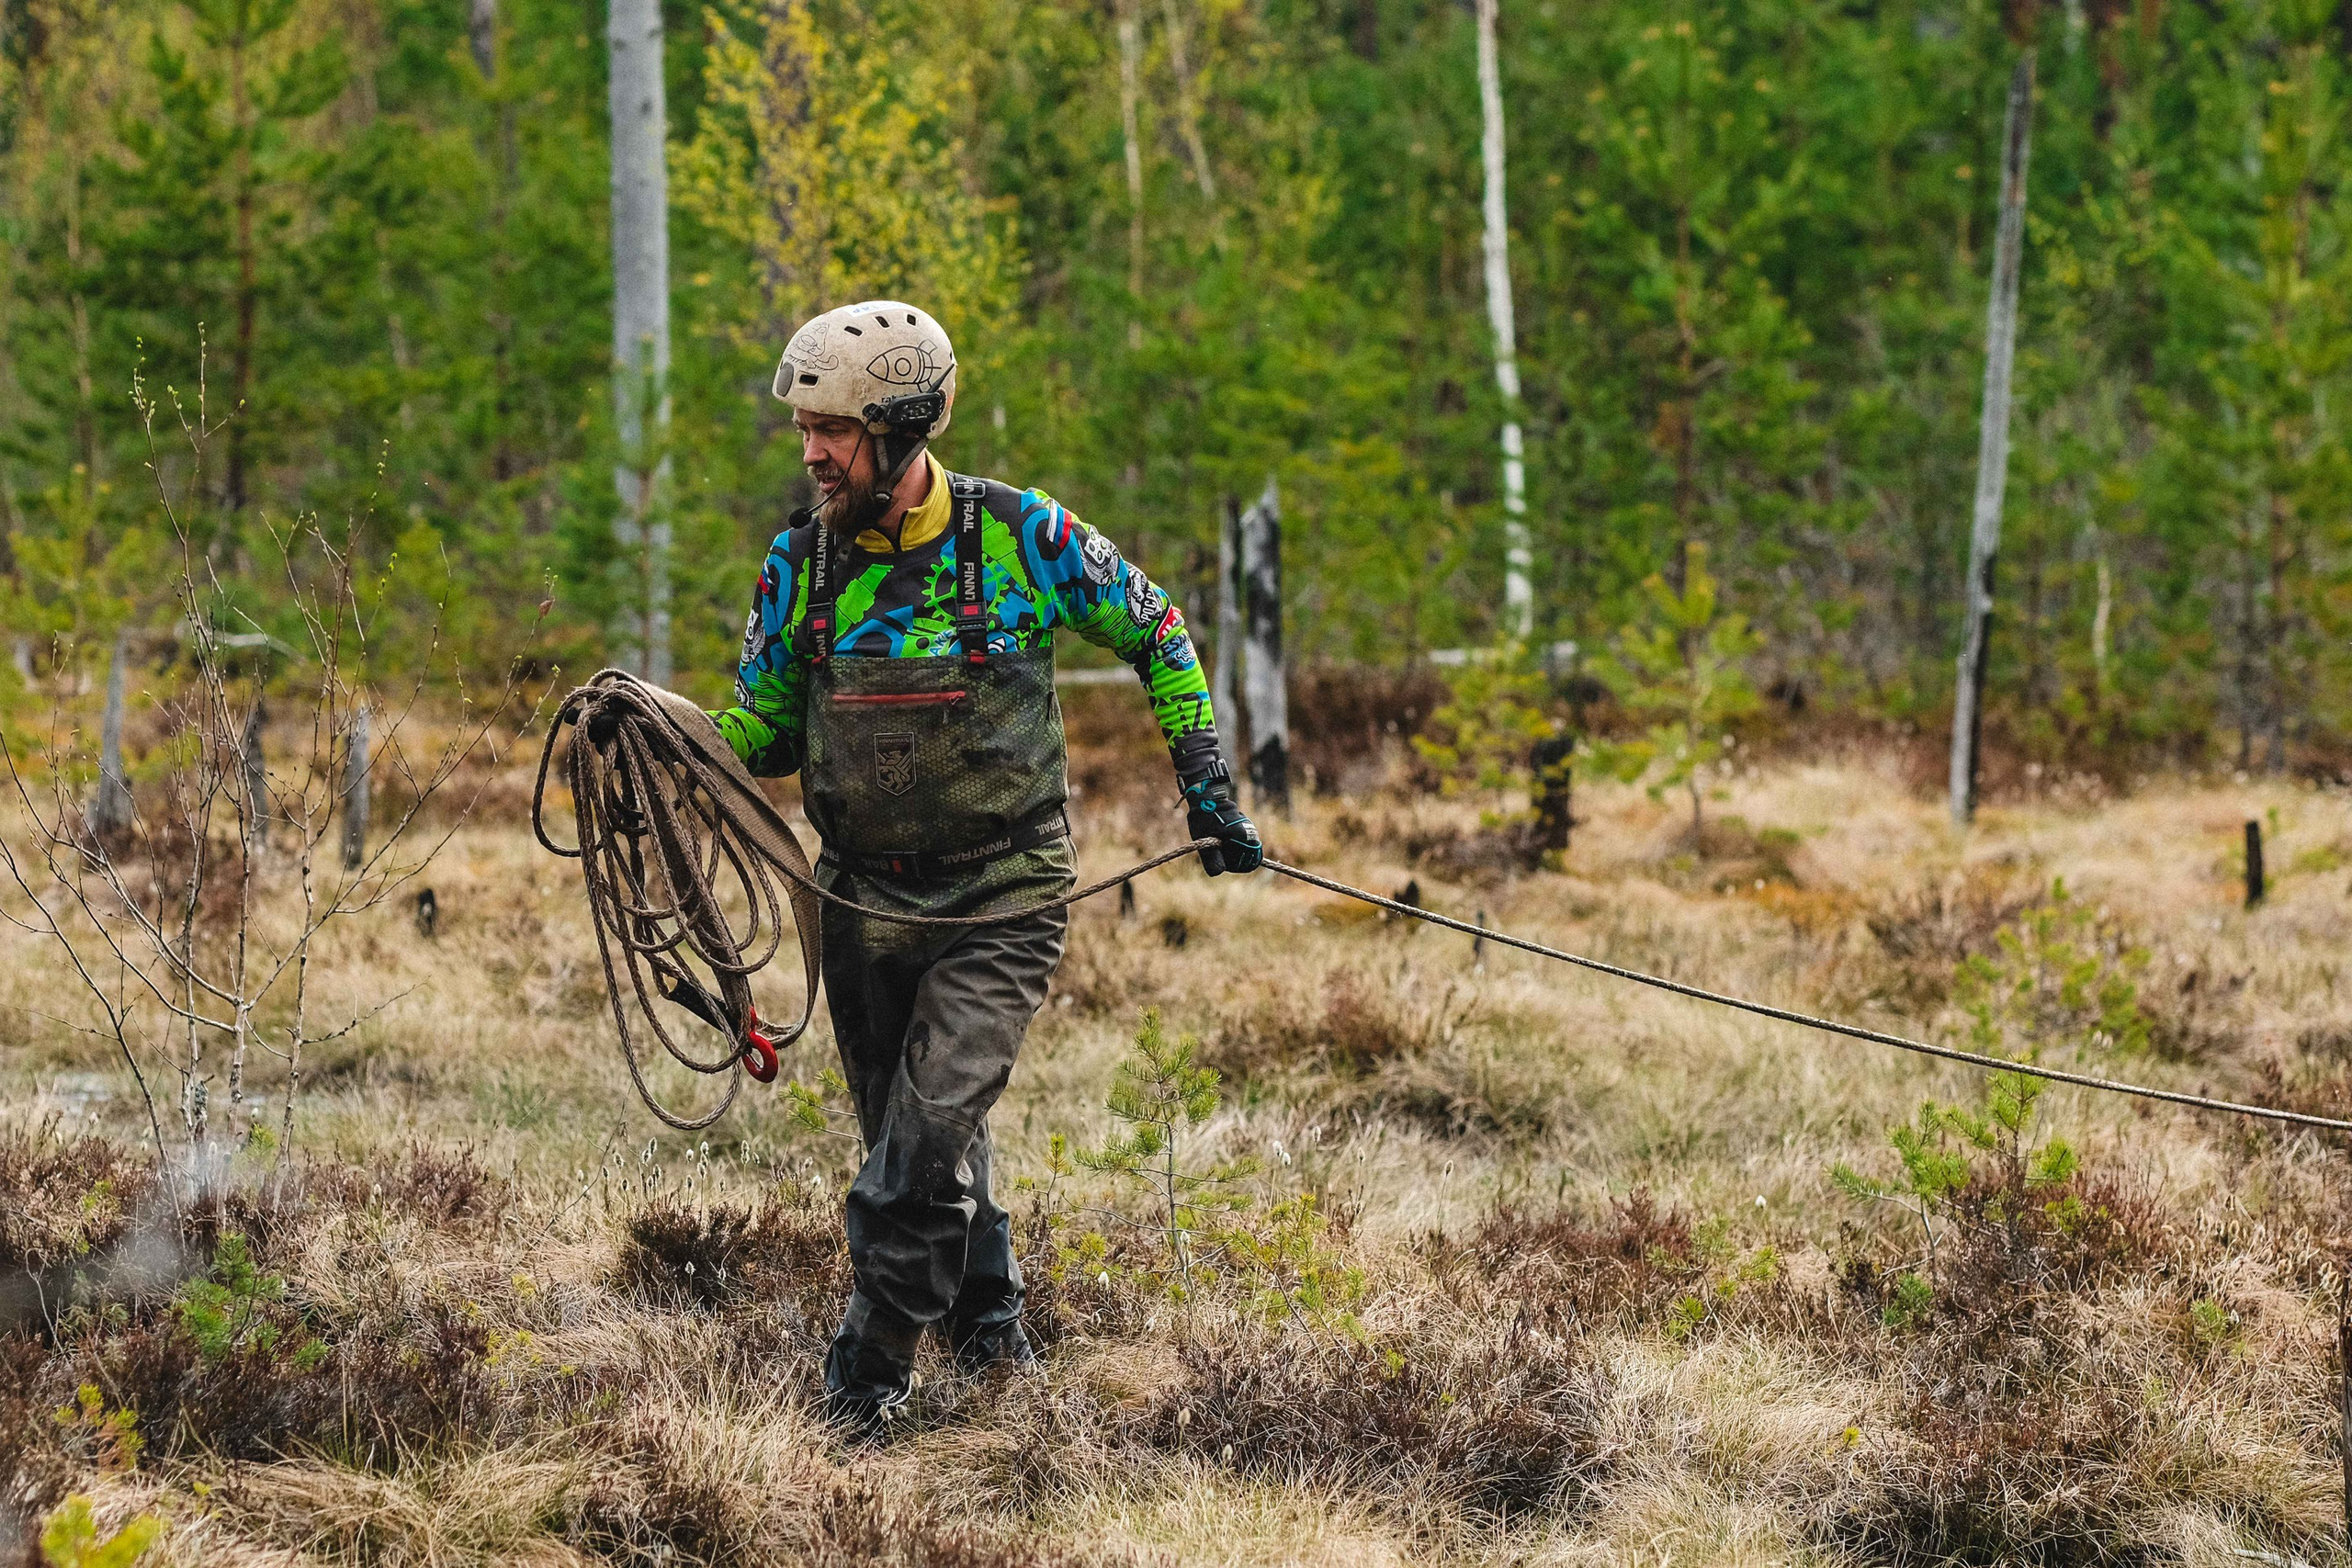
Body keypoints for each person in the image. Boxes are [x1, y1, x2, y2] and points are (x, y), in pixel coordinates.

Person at [707, 299, 1261, 1435]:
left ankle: (863, 1383)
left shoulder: (1022, 537)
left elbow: (1157, 630)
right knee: (912, 1133)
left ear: (903, 430)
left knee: (914, 1156)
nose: (810, 450)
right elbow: (762, 730)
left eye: (833, 429)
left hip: (1002, 896)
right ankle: (992, 1327)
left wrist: (1206, 788)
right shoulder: (795, 565)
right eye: (804, 427)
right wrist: (670, 741)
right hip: (856, 899)